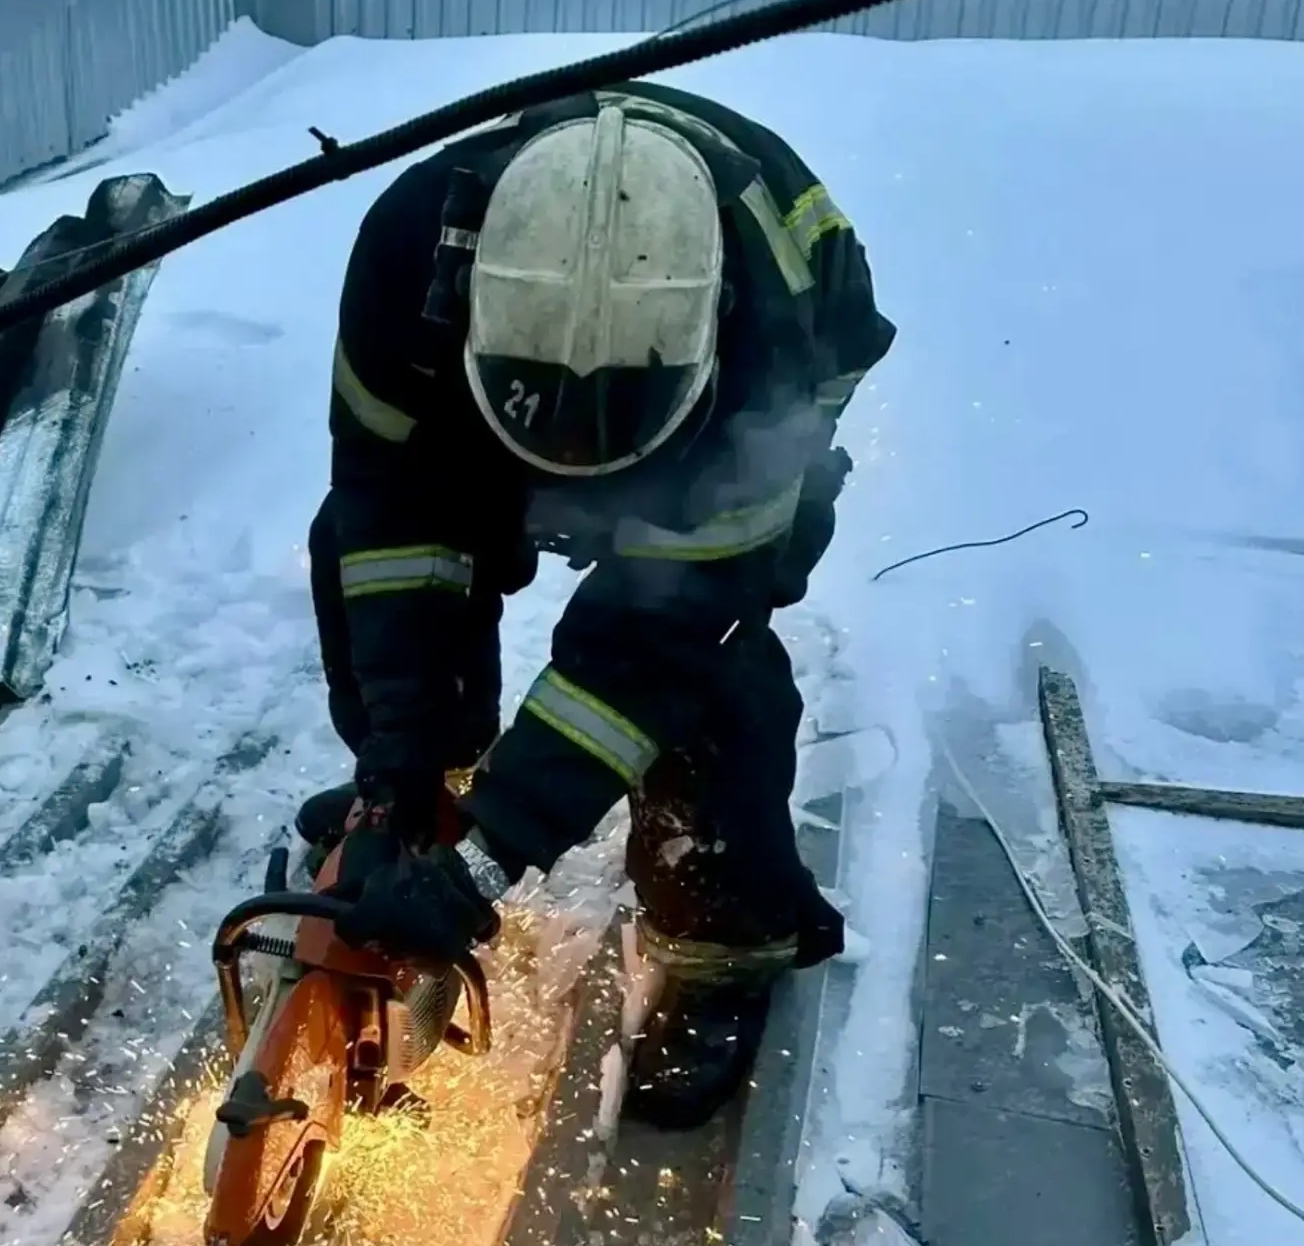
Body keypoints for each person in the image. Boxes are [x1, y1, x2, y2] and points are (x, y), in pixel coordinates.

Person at [302, 82, 895, 1125]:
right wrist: (400, 762)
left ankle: (721, 941)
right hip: (500, 394)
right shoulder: (405, 257)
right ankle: (411, 790)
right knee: (366, 563)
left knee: (705, 663)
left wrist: (493, 854)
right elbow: (387, 510)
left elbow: (646, 648)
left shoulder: (771, 342)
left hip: (718, 437)